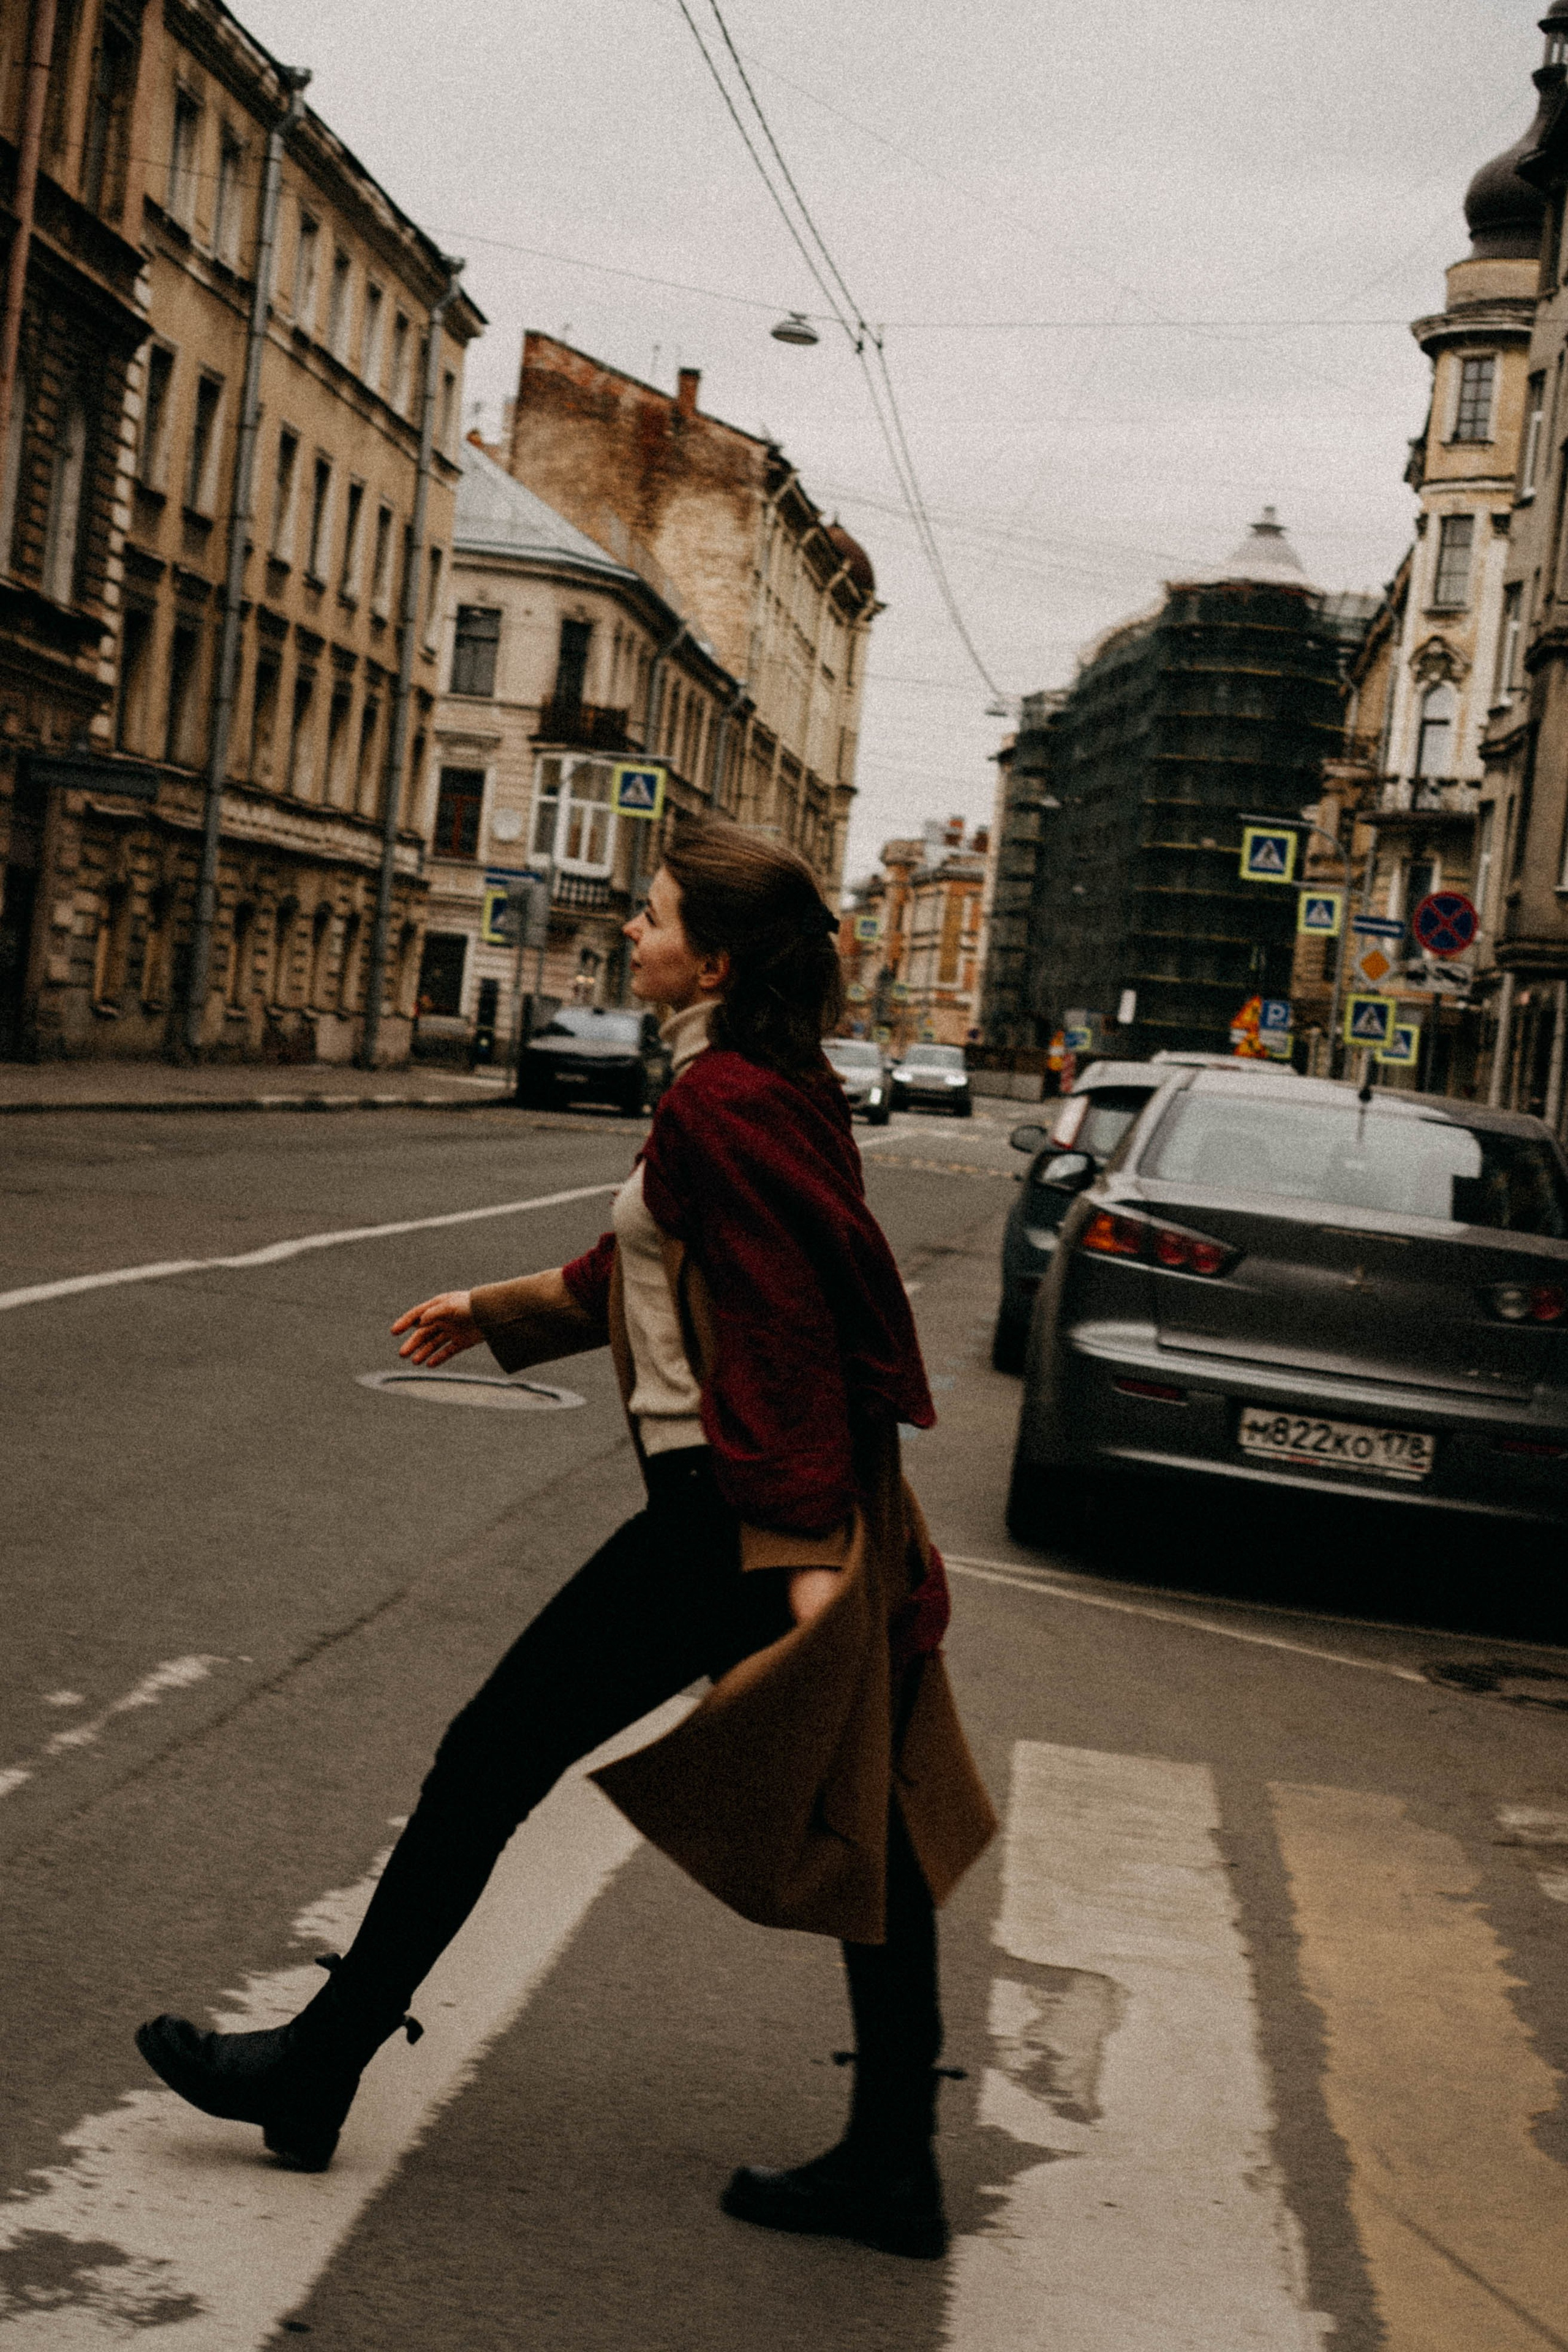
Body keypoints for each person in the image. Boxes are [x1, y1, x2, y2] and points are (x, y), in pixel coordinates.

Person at [135, 821, 996, 2261]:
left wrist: (796, 1556)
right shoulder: (755, 1083)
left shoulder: (725, 1093)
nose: (632, 936)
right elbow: (667, 1251)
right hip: (793, 1501)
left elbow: (783, 1315)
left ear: (710, 957)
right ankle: (892, 2161)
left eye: (653, 918)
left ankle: (318, 2061)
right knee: (874, 1804)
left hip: (739, 1512)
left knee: (491, 1756)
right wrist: (502, 1311)